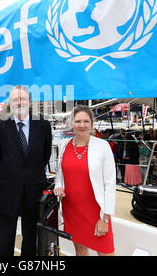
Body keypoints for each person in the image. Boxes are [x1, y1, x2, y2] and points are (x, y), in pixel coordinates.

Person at [0, 86, 52, 256]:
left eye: (23, 99)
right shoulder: (0, 127)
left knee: (31, 236)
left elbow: (45, 155)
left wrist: (29, 172)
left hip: (34, 188)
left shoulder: (43, 125)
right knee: (3, 236)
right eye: (15, 99)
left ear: (30, 102)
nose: (19, 102)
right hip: (7, 188)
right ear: (9, 103)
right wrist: (13, 172)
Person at [54, 105, 116, 256]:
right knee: (80, 250)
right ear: (72, 124)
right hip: (72, 210)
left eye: (86, 121)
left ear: (92, 124)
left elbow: (110, 184)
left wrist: (105, 219)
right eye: (78, 121)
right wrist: (59, 186)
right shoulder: (64, 145)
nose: (82, 125)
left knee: (106, 252)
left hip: (96, 212)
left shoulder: (102, 146)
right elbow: (59, 175)